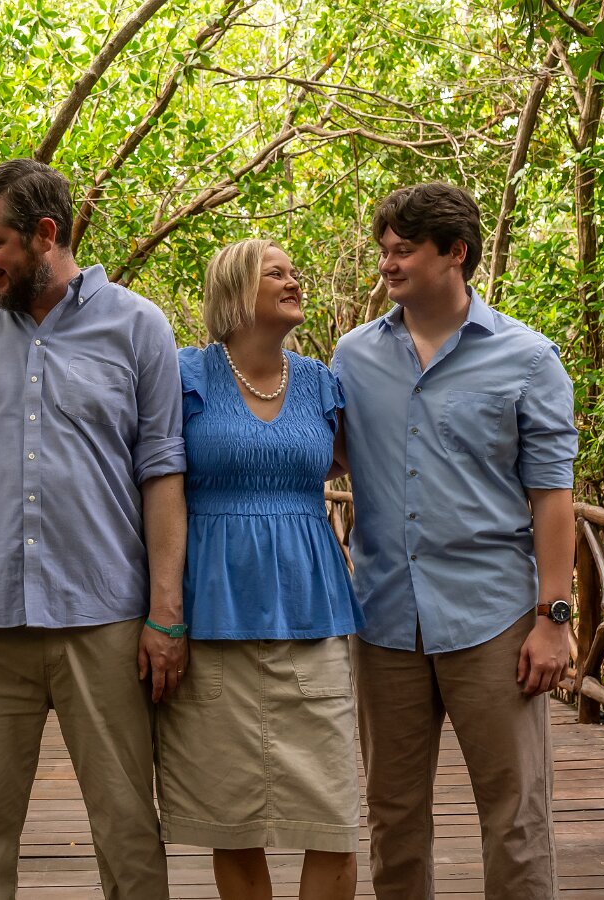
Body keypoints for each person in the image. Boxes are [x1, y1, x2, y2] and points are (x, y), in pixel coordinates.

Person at [0, 158, 187, 900]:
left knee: (127, 820)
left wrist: (166, 614)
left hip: (104, 615)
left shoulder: (137, 325)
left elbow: (162, 470)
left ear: (45, 234)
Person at [332, 182, 578, 899]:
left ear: (455, 253)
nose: (388, 263)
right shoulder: (353, 356)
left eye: (404, 250)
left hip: (492, 618)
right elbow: (323, 454)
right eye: (384, 249)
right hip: (384, 616)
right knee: (392, 814)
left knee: (515, 814)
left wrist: (553, 619)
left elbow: (552, 497)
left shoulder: (527, 357)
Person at [156, 239, 364, 900]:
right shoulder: (184, 374)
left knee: (333, 819)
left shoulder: (321, 382)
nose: (294, 279)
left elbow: (356, 463)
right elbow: (152, 481)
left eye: (293, 270)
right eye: (276, 272)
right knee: (232, 818)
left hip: (312, 613)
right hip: (212, 617)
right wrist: (161, 614)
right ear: (234, 290)